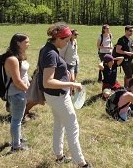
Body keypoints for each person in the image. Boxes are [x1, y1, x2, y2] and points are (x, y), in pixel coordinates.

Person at [39, 22, 92, 167]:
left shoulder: (47, 48)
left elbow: (50, 73)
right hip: (58, 96)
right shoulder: (50, 53)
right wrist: (72, 84)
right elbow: (47, 81)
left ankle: (59, 155)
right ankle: (81, 163)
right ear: (59, 38)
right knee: (72, 127)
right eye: (66, 41)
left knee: (59, 123)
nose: (67, 43)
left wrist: (64, 73)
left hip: (53, 96)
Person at [4, 33, 31, 152]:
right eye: (26, 42)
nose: (28, 44)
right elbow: (16, 81)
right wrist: (27, 89)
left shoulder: (19, 56)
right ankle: (16, 146)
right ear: (18, 43)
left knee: (17, 119)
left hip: (20, 92)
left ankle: (18, 138)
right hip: (17, 94)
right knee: (16, 120)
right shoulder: (12, 59)